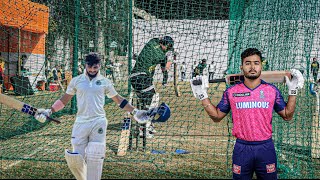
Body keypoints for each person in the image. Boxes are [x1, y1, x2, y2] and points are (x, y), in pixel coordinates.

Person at [190, 48, 304, 180]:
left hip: (265, 148)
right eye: (247, 63)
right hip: (242, 149)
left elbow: (287, 115)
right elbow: (216, 116)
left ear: (261, 66)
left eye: (256, 63)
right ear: (242, 67)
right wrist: (202, 95)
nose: (252, 67)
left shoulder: (271, 90)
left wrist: (293, 91)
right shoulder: (231, 92)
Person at [34, 52, 151, 180]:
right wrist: (49, 111)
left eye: (95, 67)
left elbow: (118, 99)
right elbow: (64, 100)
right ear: (85, 65)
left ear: (99, 66)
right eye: (90, 67)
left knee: (95, 153)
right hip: (81, 122)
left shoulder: (105, 82)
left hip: (98, 121)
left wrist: (135, 112)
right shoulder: (76, 81)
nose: (92, 70)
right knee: (76, 159)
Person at [129, 35, 175, 138]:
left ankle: (144, 126)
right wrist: (170, 59)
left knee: (146, 103)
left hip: (137, 77)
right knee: (154, 97)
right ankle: (145, 127)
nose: (168, 49)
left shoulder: (156, 47)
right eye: (168, 47)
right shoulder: (157, 50)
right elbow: (165, 67)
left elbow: (164, 68)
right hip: (141, 76)